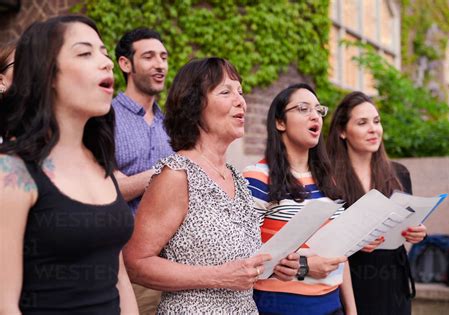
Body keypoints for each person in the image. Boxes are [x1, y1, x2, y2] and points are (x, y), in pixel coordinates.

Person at [123, 57, 299, 314]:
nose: (241, 101)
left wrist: (272, 265)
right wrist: (217, 277)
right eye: (226, 92)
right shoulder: (177, 174)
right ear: (194, 105)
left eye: (240, 91)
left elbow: (237, 265)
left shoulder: (236, 178)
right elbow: (135, 263)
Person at [0, 15, 138, 315]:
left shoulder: (100, 161)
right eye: (85, 53)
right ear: (46, 74)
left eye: (103, 52)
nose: (106, 62)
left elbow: (119, 277)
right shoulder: (12, 171)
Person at [243, 83, 356, 315]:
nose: (314, 115)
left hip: (332, 306)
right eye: (303, 109)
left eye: (318, 110)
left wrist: (352, 311)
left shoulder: (329, 182)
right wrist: (304, 267)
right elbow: (244, 259)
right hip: (279, 307)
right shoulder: (255, 177)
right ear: (280, 122)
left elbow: (339, 257)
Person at [326, 91, 427, 315]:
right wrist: (354, 242)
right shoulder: (328, 178)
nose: (374, 129)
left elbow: (407, 220)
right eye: (362, 123)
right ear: (342, 131)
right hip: (350, 283)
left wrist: (417, 231)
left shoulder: (399, 173)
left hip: (394, 280)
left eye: (377, 121)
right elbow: (323, 239)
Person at [112, 27, 173, 315]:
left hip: (171, 264)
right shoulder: (104, 118)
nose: (160, 64)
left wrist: (134, 180)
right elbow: (106, 191)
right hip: (120, 265)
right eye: (148, 56)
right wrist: (164, 174)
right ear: (126, 64)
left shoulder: (171, 126)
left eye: (163, 57)